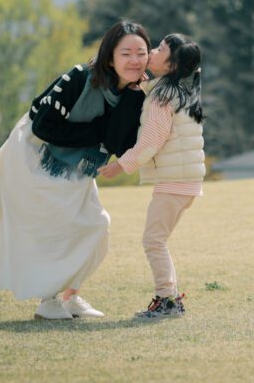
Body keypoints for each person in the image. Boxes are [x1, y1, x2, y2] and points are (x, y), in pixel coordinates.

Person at [0, 20, 150, 320]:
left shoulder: (134, 94)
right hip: (34, 155)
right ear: (110, 58)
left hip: (77, 164)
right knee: (54, 227)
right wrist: (98, 131)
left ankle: (70, 296)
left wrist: (133, 97)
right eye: (126, 53)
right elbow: (44, 126)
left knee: (96, 225)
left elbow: (119, 144)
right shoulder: (79, 77)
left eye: (141, 53)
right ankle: (48, 300)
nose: (134, 60)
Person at [98, 33, 205, 320]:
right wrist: (144, 84)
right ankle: (171, 299)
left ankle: (167, 301)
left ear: (171, 66)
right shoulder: (176, 92)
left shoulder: (162, 96)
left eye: (159, 49)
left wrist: (121, 165)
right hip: (186, 182)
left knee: (153, 241)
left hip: (174, 182)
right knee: (158, 240)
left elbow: (151, 141)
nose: (152, 51)